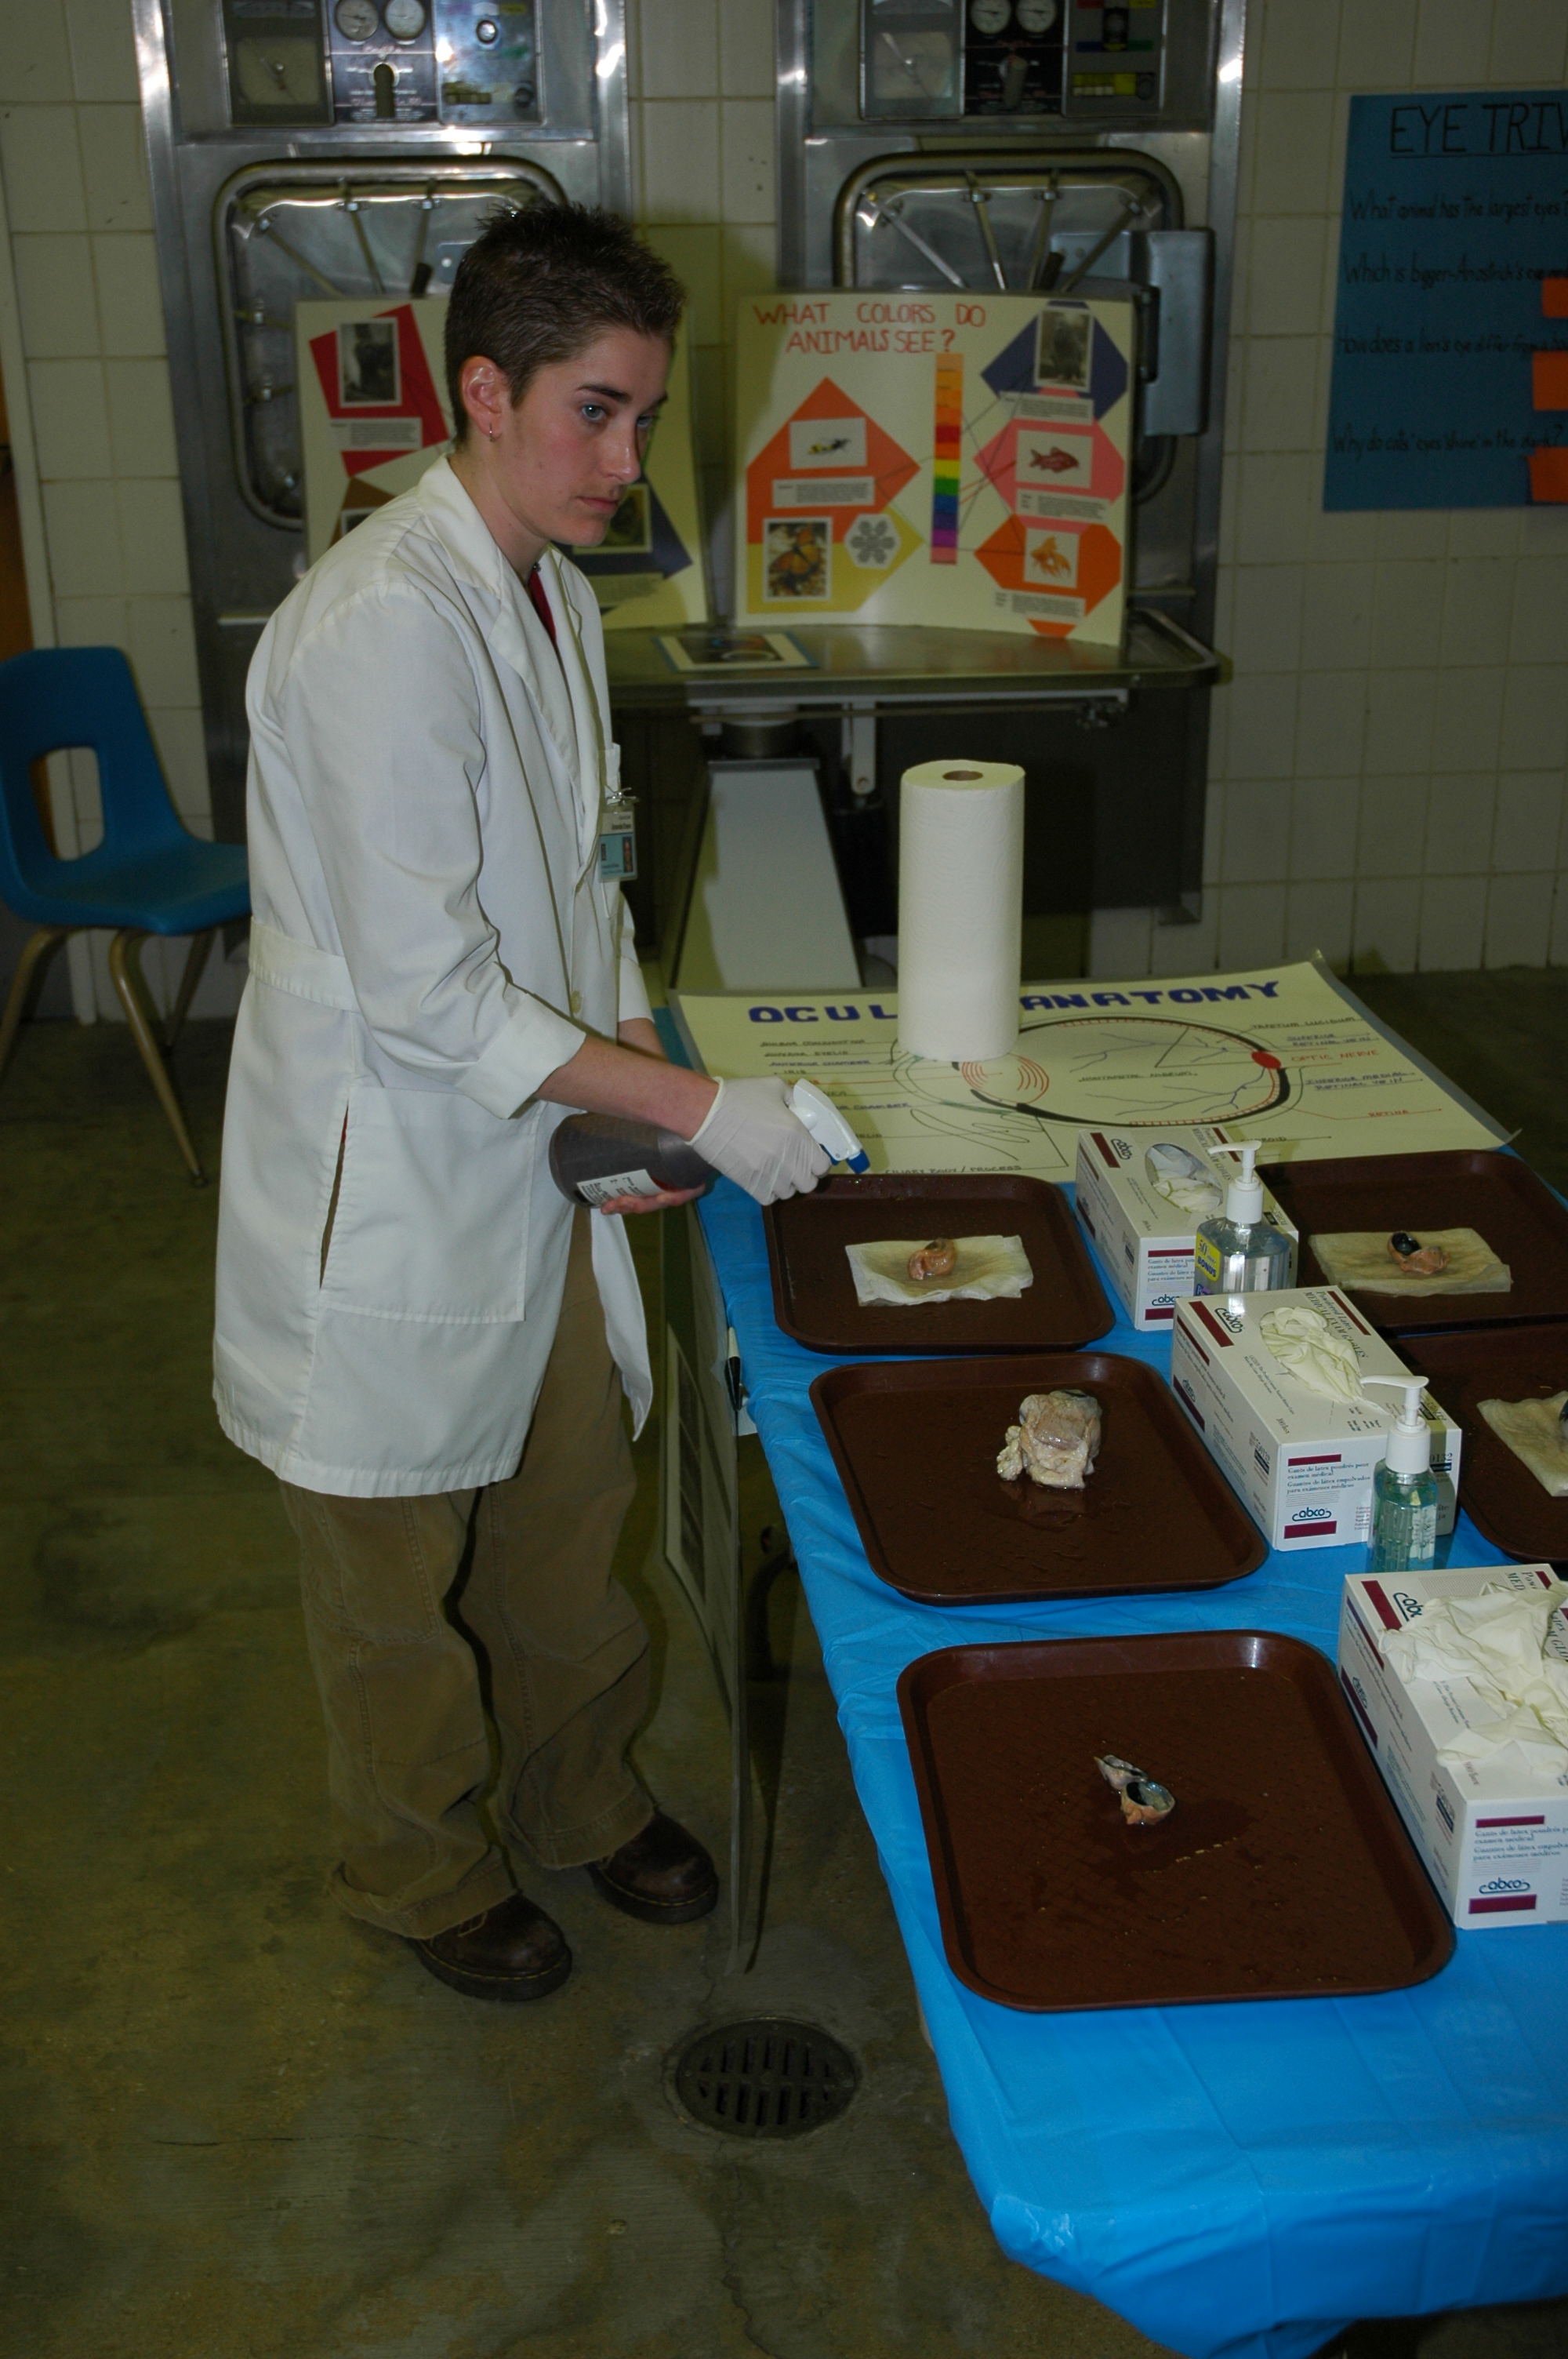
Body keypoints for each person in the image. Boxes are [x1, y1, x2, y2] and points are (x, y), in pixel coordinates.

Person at [213, 203, 829, 2003]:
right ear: (484, 393)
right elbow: (430, 993)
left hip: (527, 1170)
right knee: (395, 1581)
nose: (628, 461)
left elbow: (583, 886)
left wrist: (634, 1106)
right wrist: (707, 1102)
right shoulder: (379, 627)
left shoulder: (546, 593)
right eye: (594, 412)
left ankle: (578, 1795)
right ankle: (417, 1868)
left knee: (567, 1518)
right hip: (390, 1190)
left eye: (644, 415)